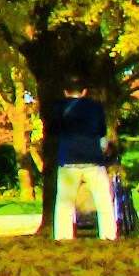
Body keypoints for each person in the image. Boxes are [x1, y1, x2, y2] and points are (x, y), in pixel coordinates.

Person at [47, 86, 117, 242]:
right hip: (93, 158)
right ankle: (108, 236)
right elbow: (102, 131)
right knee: (104, 201)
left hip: (69, 159)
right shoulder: (95, 107)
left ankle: (64, 237)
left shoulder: (59, 107)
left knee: (65, 202)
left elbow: (53, 130)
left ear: (65, 91)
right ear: (85, 91)